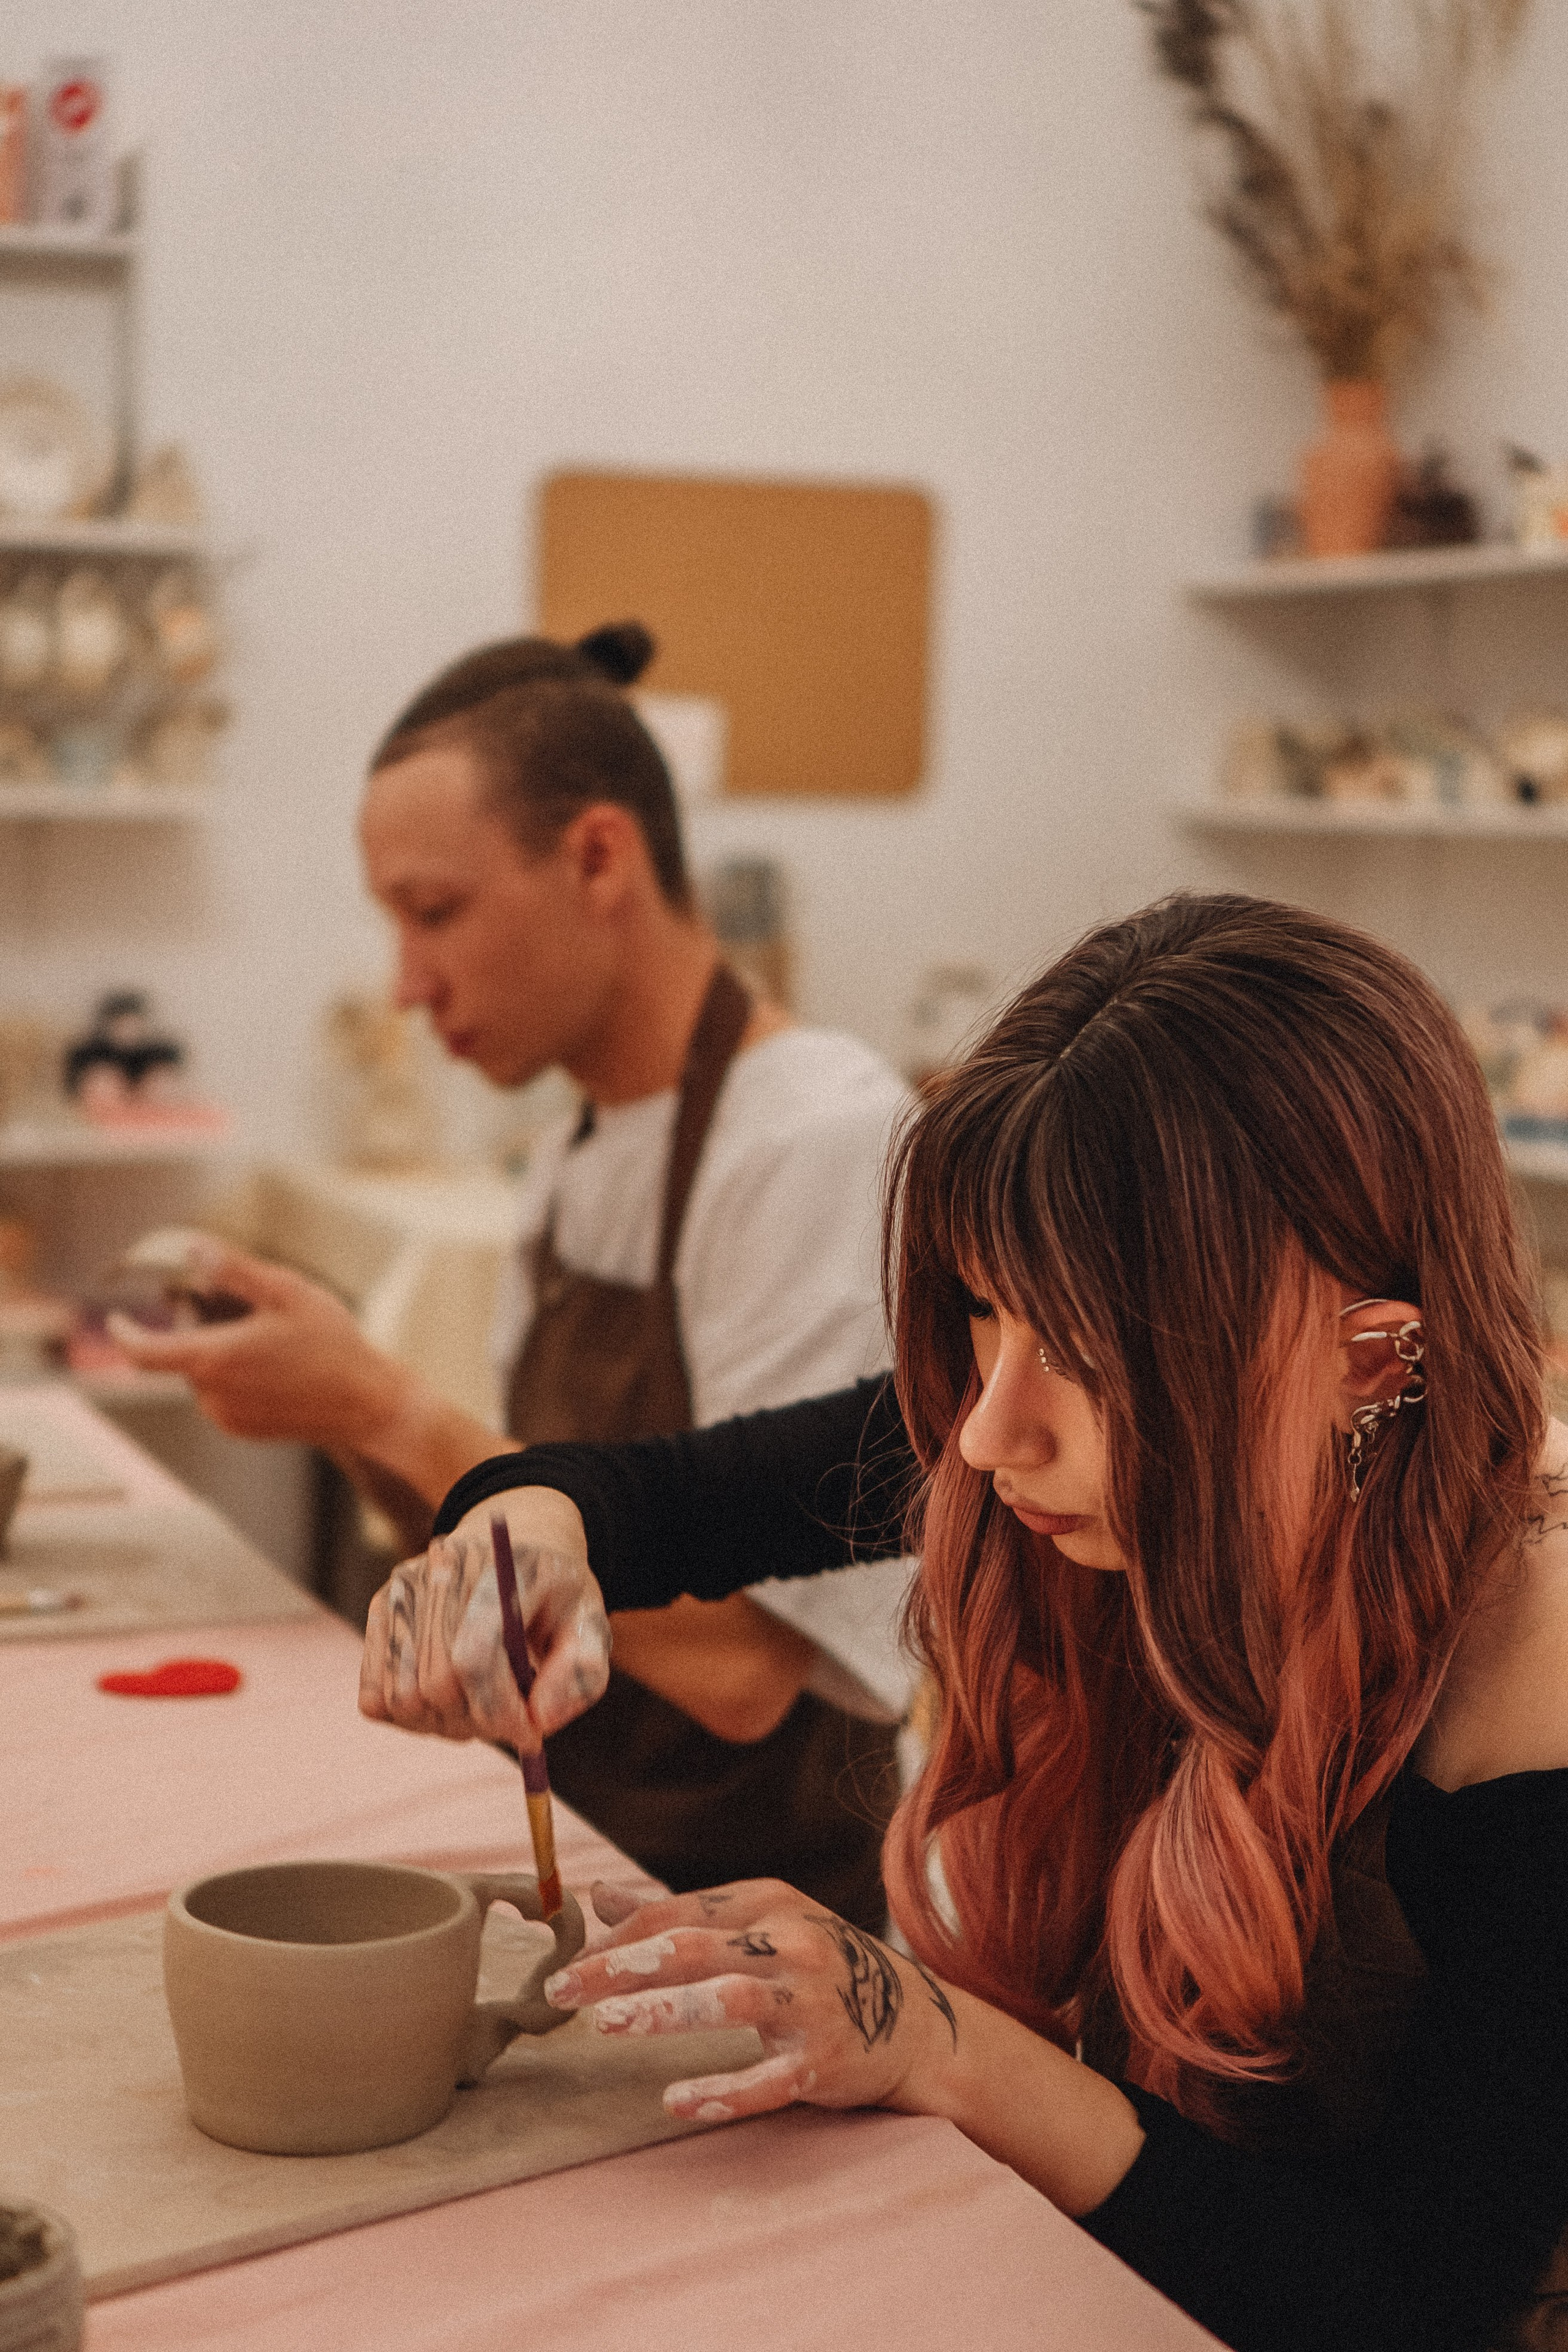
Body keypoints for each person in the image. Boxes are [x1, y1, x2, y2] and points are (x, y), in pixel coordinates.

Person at [361, 893, 1568, 2352]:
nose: (989, 1434)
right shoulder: (1143, 1431)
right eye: (987, 1312)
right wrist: (517, 1540)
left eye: (1090, 1350)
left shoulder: (1533, 1681)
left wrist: (942, 2045)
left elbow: (1404, 2307)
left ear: (1373, 1349)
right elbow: (636, 1498)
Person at [113, 622, 913, 1929]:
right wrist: (336, 1412)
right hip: (574, 1863)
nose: (408, 986)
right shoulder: (571, 1151)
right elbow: (513, 1557)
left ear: (599, 855)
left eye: (436, 913)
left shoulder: (817, 1141)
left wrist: (385, 1408)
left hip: (748, 1916)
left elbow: (740, 1671)